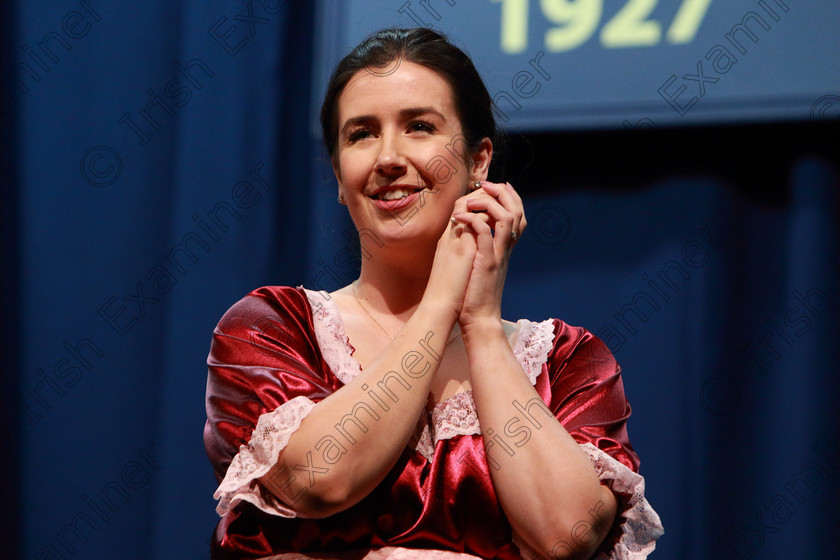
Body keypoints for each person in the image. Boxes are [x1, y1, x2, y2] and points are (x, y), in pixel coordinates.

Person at [204, 27, 663, 560]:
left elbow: (567, 535)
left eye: (419, 126)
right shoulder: (273, 327)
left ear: (479, 161)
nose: (388, 157)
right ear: (337, 172)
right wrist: (441, 302)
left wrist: (482, 327)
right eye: (361, 134)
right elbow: (319, 477)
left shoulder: (565, 363)